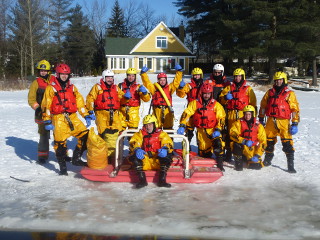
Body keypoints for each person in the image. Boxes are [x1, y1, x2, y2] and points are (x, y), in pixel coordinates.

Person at [41, 63, 93, 175]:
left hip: (72, 117)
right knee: (60, 144)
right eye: (62, 74)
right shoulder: (51, 88)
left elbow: (80, 103)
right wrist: (47, 120)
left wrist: (86, 115)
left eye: (66, 74)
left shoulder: (72, 88)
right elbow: (46, 105)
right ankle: (62, 167)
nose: (64, 76)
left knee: (85, 135)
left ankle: (76, 157)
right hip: (58, 118)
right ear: (57, 74)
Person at [177, 83, 226, 171]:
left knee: (219, 144)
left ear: (211, 94)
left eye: (208, 93)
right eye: (204, 93)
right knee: (204, 154)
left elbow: (221, 118)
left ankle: (220, 163)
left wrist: (218, 129)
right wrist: (182, 124)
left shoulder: (216, 105)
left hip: (213, 130)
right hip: (201, 131)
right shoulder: (194, 103)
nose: (206, 95)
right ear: (201, 93)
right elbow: (186, 113)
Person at [258, 71, 300, 173]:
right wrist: (261, 118)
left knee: (287, 143)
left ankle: (290, 165)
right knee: (268, 141)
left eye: (280, 80)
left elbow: (294, 109)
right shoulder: (269, 93)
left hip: (284, 122)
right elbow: (263, 106)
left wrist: (295, 123)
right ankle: (268, 159)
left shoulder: (289, 94)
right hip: (271, 121)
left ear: (284, 80)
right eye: (276, 80)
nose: (278, 82)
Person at [219, 68, 257, 162]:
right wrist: (225, 97)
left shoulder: (248, 89)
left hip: (243, 114)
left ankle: (243, 154)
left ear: (243, 77)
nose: (237, 78)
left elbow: (253, 104)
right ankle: (228, 153)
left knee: (243, 134)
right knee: (230, 134)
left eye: (239, 76)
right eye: (236, 76)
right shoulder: (229, 88)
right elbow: (221, 100)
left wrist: (253, 118)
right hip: (231, 114)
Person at [86, 69, 125, 160]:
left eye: (111, 77)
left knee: (118, 132)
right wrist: (91, 110)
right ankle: (104, 155)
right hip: (102, 114)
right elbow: (90, 99)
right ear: (104, 78)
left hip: (114, 114)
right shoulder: (97, 88)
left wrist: (126, 97)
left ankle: (116, 154)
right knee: (103, 134)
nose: (110, 79)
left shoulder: (115, 88)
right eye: (108, 77)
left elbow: (122, 98)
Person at [129, 114, 174, 188]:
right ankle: (142, 180)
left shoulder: (161, 134)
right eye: (146, 125)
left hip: (157, 160)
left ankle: (162, 180)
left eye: (150, 124)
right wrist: (137, 149)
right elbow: (135, 141)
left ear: (154, 124)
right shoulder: (140, 134)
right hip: (145, 160)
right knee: (134, 158)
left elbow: (167, 142)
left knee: (167, 157)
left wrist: (165, 148)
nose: (148, 127)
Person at [28, 60, 56, 164]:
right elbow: (31, 99)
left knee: (59, 134)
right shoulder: (35, 83)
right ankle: (43, 156)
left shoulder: (55, 80)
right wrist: (37, 108)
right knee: (44, 135)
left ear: (49, 71)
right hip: (42, 114)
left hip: (55, 112)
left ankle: (62, 154)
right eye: (41, 70)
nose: (43, 72)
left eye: (45, 70)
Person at [140, 64, 183, 129]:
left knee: (168, 129)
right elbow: (147, 83)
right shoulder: (154, 88)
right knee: (156, 129)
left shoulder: (170, 88)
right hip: (157, 111)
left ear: (166, 80)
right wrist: (143, 74)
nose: (162, 82)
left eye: (164, 80)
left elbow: (176, 82)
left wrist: (179, 72)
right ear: (158, 80)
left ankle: (169, 139)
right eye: (161, 80)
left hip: (167, 110)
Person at [229, 105, 267, 171]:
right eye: (246, 114)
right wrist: (243, 141)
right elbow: (233, 134)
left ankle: (249, 159)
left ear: (252, 114)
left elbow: (263, 142)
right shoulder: (238, 123)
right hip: (243, 146)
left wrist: (258, 155)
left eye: (249, 114)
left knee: (256, 166)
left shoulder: (259, 125)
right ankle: (239, 164)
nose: (247, 116)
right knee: (236, 144)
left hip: (253, 148)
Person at [176, 67, 204, 145]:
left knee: (201, 133)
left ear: (201, 76)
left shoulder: (205, 85)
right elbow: (180, 95)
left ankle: (202, 150)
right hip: (191, 110)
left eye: (198, 75)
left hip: (201, 111)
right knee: (189, 131)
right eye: (195, 75)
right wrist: (180, 88)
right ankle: (186, 148)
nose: (197, 77)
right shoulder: (189, 86)